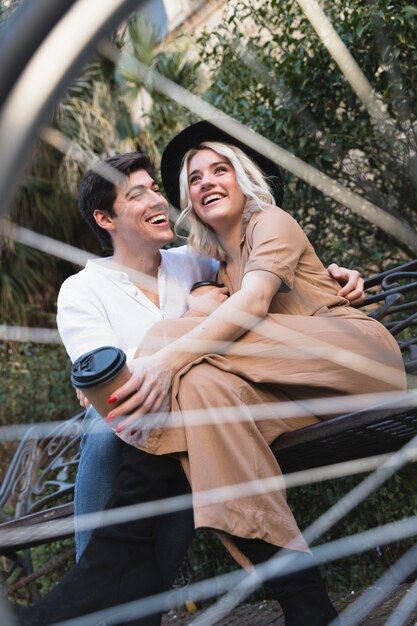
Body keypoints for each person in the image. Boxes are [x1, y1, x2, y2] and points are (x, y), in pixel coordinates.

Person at [15, 147, 366, 626]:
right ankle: (304, 603)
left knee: (175, 384)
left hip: (309, 370)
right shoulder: (83, 289)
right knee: (176, 402)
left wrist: (339, 275)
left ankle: (102, 575)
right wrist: (189, 326)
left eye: (157, 188)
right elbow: (103, 386)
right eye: (138, 194)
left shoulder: (197, 259)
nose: (159, 198)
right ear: (105, 217)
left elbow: (270, 279)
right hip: (167, 418)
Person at [102, 120, 407, 625]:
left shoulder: (272, 223)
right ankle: (305, 603)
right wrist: (184, 331)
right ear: (190, 202)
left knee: (168, 347)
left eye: (220, 170)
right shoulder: (218, 271)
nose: (206, 182)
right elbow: (212, 314)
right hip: (305, 393)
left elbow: (255, 302)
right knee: (203, 395)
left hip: (361, 365)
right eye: (195, 179)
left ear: (244, 181)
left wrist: (159, 361)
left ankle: (110, 560)